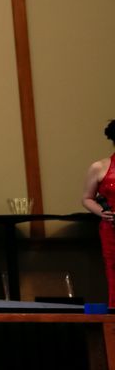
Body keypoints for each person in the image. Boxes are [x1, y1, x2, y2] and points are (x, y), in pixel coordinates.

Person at [82, 119, 115, 308]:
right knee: (113, 272)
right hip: (111, 229)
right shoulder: (100, 167)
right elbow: (87, 198)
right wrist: (103, 213)